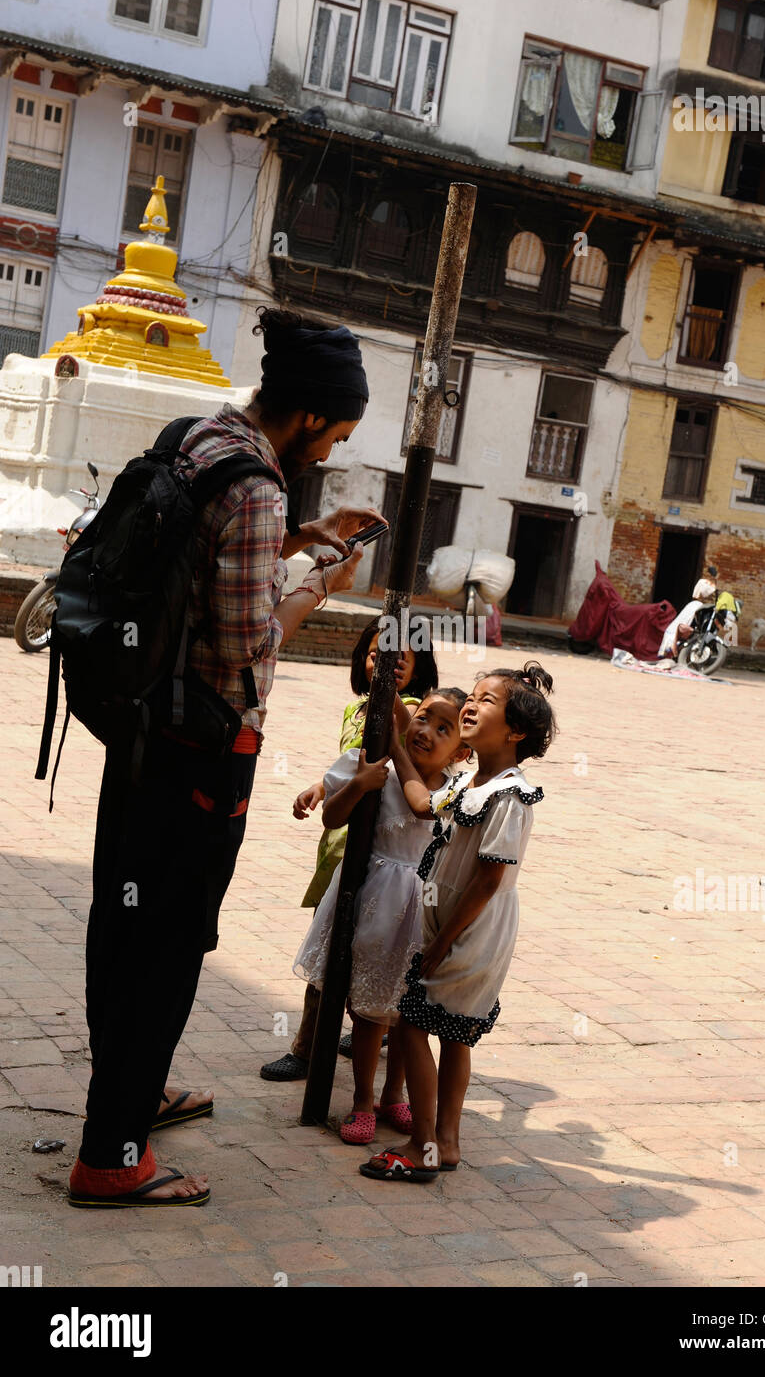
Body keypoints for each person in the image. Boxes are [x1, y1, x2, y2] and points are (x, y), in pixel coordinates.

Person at [68, 307, 386, 1209]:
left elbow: (196, 554)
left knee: (121, 922)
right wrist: (318, 588)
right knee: (167, 946)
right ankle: (110, 1156)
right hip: (202, 751)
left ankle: (130, 1097)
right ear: (312, 417)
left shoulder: (204, 436)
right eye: (337, 433)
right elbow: (246, 648)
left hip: (138, 730)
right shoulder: (260, 489)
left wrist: (299, 537)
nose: (330, 451)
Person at [360, 663, 556, 1183]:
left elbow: (490, 880)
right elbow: (423, 803)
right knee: (454, 1035)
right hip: (456, 928)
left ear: (515, 732)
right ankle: (445, 1141)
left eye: (486, 701)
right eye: (472, 696)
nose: (470, 705)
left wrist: (442, 942)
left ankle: (422, 1142)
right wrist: (399, 734)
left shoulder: (511, 796)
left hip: (469, 933)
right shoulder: (472, 779)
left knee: (412, 1026)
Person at [260, 620, 439, 1082]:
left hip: (382, 852)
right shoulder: (354, 709)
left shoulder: (414, 714)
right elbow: (350, 762)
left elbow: (398, 755)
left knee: (373, 952)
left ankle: (342, 1036)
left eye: (399, 660)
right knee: (329, 950)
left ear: (417, 670)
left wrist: (396, 705)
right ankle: (309, 1043)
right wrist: (321, 785)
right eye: (376, 655)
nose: (384, 665)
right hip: (339, 847)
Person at [293, 690, 472, 1144]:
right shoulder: (379, 770)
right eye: (422, 718)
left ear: (462, 751)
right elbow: (333, 819)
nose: (425, 731)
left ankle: (394, 1098)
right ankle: (360, 1101)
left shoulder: (455, 791)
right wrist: (357, 785)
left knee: (407, 1013)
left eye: (443, 728)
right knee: (370, 1012)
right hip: (376, 901)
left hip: (424, 911)